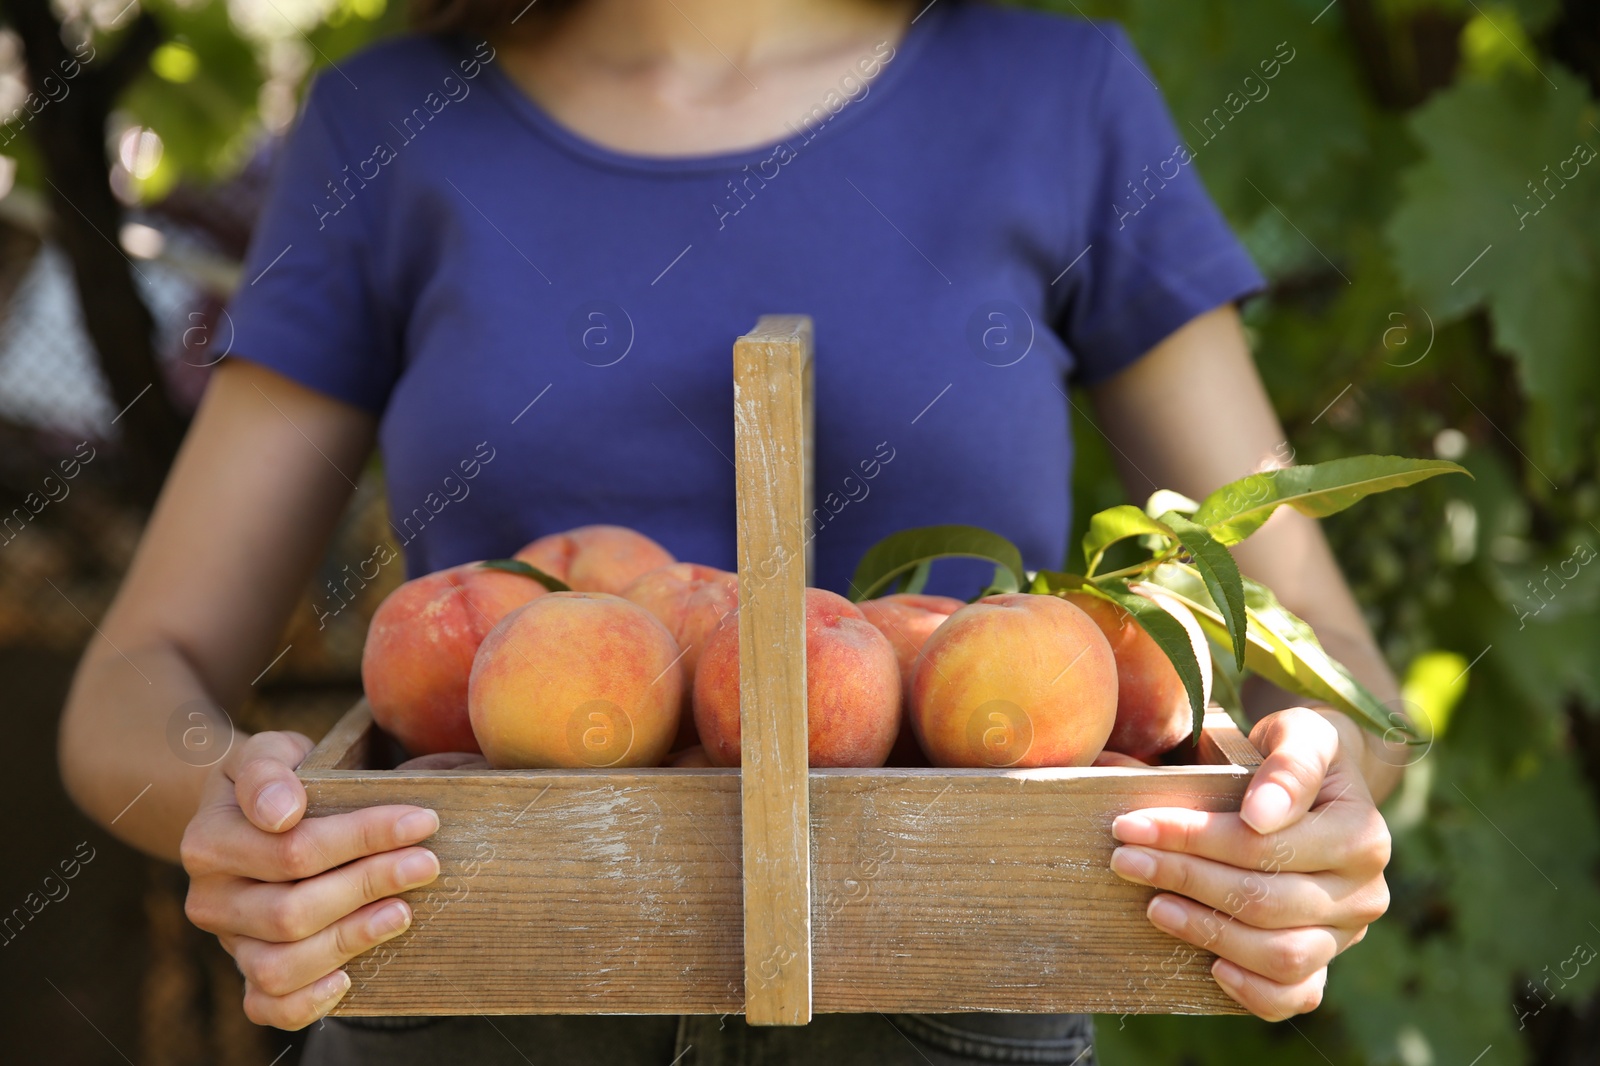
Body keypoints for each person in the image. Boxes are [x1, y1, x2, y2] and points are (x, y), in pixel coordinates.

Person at [58, 0, 1398, 1061]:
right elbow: (136, 680)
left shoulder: (1061, 100)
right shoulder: (393, 124)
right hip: (477, 1011)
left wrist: (1307, 805)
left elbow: (1333, 661)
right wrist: (243, 812)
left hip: (947, 1016)